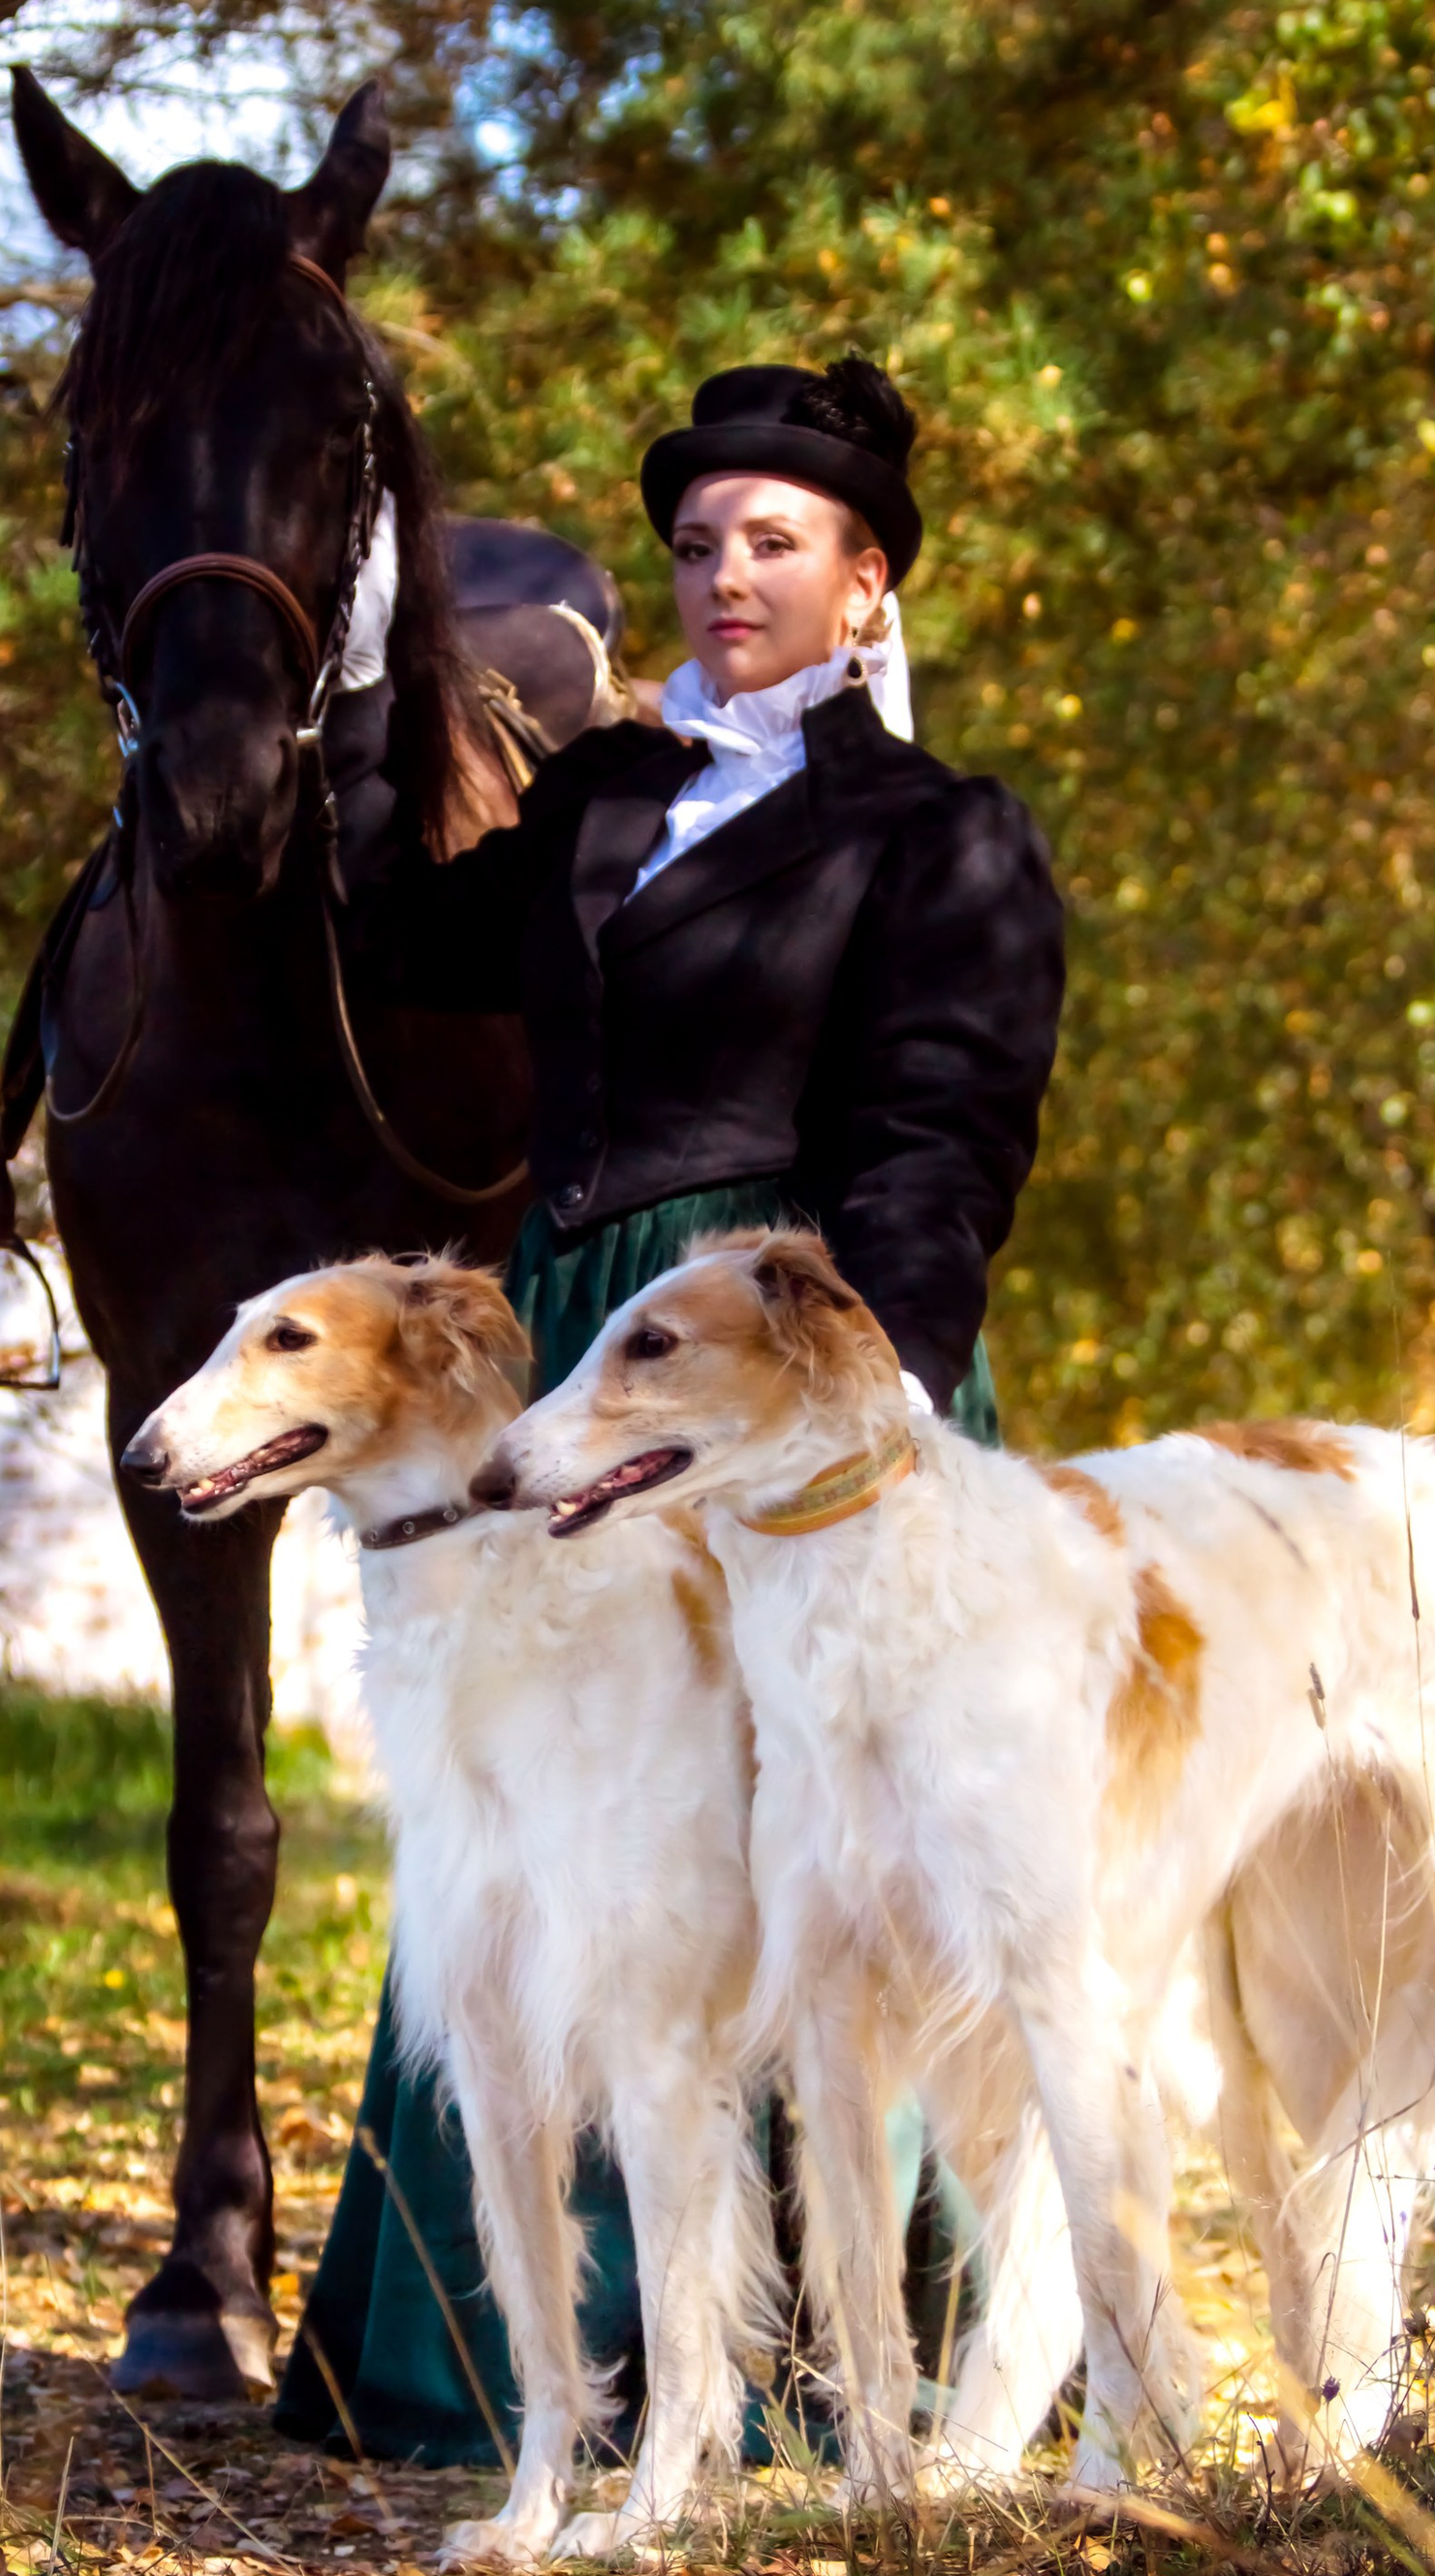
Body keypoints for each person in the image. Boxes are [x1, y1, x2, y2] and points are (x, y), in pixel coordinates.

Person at [273, 354, 1066, 2464]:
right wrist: (356, 671)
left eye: (774, 542)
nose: (725, 574)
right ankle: (502, 2359)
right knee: (550, 1807)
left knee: (810, 1833)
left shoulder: (938, 836)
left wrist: (867, 1392)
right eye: (700, 542)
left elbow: (937, 1132)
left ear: (867, 584)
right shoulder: (603, 797)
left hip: (775, 1354)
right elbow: (395, 929)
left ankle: (834, 2360)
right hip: (567, 1342)